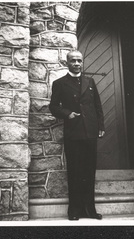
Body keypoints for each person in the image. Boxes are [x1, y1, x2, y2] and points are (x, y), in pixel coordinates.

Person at [49, 50, 105, 221]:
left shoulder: (89, 81)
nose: (76, 63)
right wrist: (67, 114)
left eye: (79, 60)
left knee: (89, 172)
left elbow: (97, 105)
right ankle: (74, 211)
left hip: (90, 132)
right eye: (73, 60)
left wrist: (100, 126)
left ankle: (90, 210)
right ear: (67, 62)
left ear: (82, 62)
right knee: (75, 171)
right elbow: (53, 107)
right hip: (73, 132)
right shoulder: (60, 83)